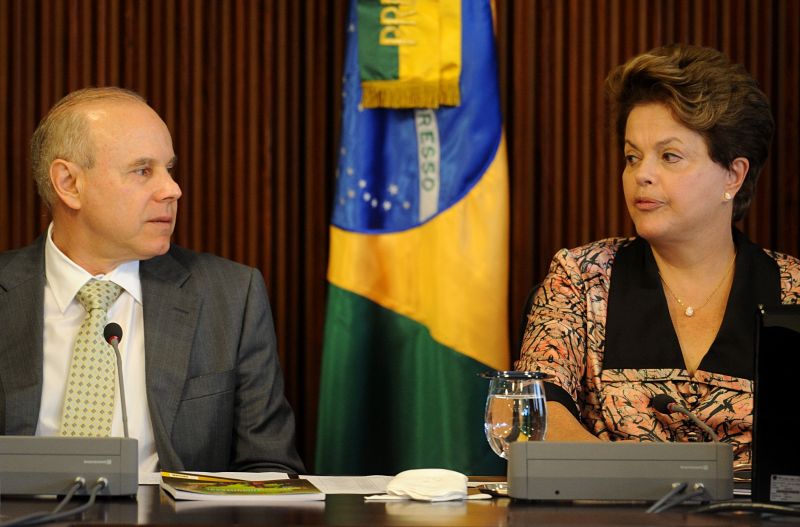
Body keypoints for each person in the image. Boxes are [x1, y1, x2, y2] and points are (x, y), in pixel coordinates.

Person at [516, 44, 800, 465]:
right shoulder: (581, 277)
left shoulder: (792, 290)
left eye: (669, 156)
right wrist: (643, 481)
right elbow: (529, 413)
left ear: (733, 175)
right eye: (632, 157)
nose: (641, 175)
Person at [0, 87, 305, 474]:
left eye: (169, 169)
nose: (172, 190)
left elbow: (270, 467)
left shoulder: (230, 297)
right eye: (143, 170)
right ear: (69, 183)